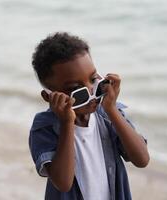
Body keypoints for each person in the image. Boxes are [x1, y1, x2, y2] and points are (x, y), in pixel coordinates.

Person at [29, 32, 150, 200]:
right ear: (49, 96)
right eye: (77, 90)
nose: (92, 93)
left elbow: (142, 159)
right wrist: (67, 122)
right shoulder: (44, 127)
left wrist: (112, 109)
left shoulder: (107, 115)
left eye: (93, 80)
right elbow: (63, 183)